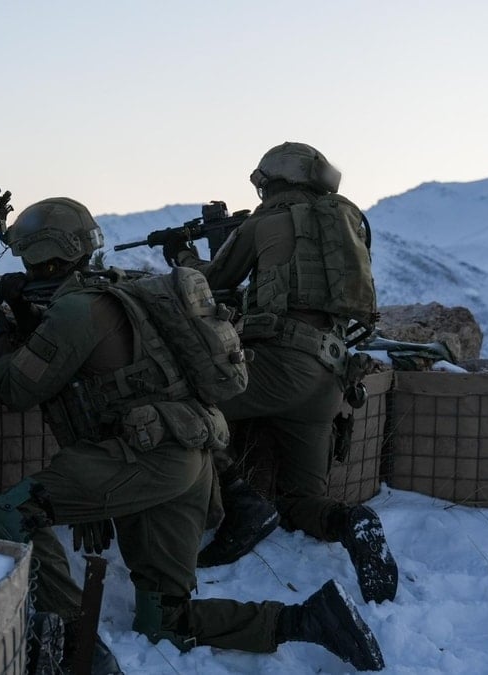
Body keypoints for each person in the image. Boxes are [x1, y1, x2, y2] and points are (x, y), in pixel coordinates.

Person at [0, 197, 386, 673]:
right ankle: (309, 620)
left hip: (144, 459)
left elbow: (15, 390)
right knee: (166, 621)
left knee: (8, 514)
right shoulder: (125, 290)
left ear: (39, 256)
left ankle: (73, 644)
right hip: (191, 459)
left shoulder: (74, 311)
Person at [165, 142, 398, 605]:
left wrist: (182, 256)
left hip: (280, 368)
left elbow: (212, 282)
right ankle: (349, 522)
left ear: (271, 182)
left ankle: (242, 504)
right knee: (299, 502)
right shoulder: (344, 223)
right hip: (329, 380)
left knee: (185, 405)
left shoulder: (265, 222)